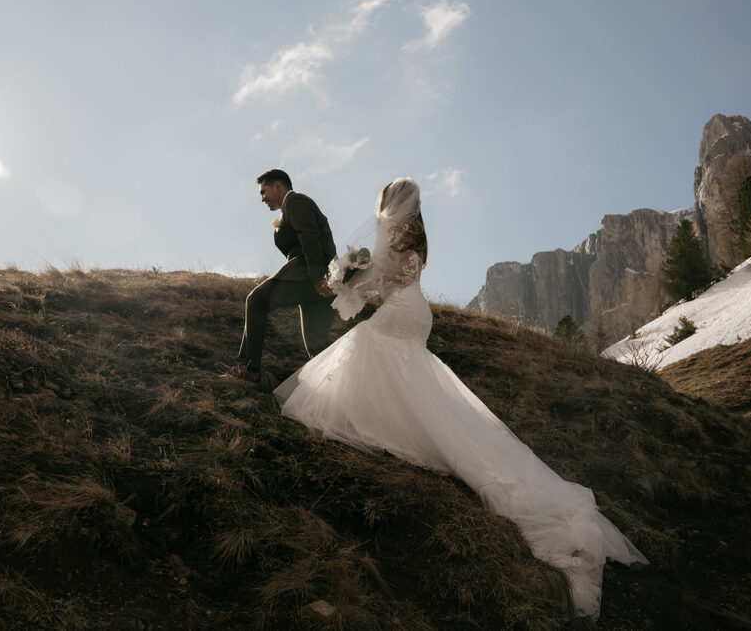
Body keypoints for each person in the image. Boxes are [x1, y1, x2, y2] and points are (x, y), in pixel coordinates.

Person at [274, 177, 647, 619]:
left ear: (389, 204)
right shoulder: (413, 233)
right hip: (414, 312)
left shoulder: (396, 233)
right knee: (406, 374)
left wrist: (352, 278)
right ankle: (403, 420)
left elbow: (394, 275)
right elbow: (396, 277)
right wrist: (357, 282)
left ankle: (384, 422)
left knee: (366, 349)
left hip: (403, 310)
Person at [218, 169, 337, 383]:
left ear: (278, 186)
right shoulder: (286, 210)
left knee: (256, 300)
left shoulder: (296, 201)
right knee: (316, 347)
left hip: (309, 276)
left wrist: (319, 278)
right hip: (312, 281)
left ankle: (249, 368)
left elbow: (310, 239)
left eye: (264, 192)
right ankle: (336, 389)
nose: (262, 199)